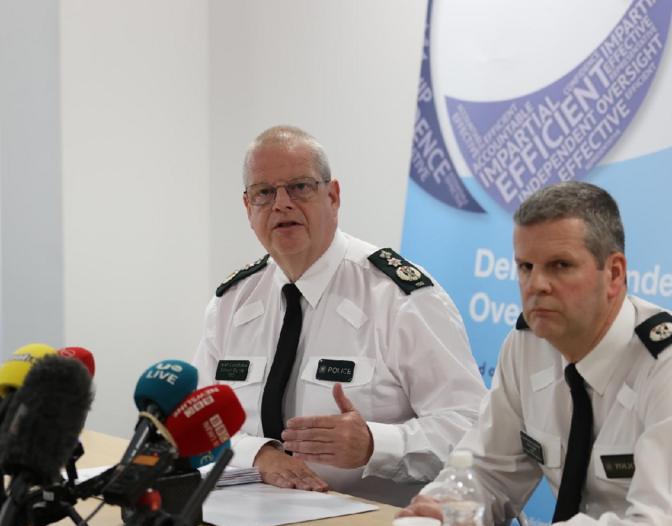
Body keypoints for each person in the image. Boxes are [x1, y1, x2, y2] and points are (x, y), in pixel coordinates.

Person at [399, 181, 672, 526]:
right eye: (526, 267)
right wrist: (440, 509)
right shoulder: (527, 346)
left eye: (560, 265)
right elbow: (490, 472)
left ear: (614, 274)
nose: (537, 285)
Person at [193, 126, 486, 506]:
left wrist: (375, 445)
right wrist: (258, 455)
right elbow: (197, 420)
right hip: (250, 524)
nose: (282, 203)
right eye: (264, 193)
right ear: (248, 208)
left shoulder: (398, 299)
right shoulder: (231, 304)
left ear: (332, 196)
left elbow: (472, 428)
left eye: (300, 187)